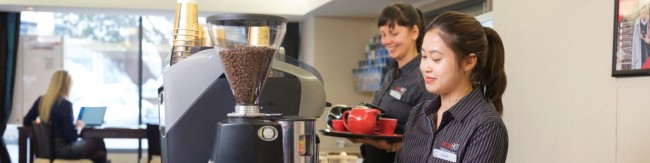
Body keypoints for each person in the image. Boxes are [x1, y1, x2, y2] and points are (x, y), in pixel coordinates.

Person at [394, 11, 509, 162]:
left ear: (468, 62)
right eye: (423, 57)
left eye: (436, 59)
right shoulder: (419, 114)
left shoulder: (486, 126)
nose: (425, 67)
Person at [349, 3, 437, 163]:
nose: (386, 41)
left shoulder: (424, 76)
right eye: (383, 34)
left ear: (414, 32)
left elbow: (425, 139)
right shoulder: (391, 73)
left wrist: (387, 145)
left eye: (393, 33)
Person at [23, 70, 108, 163]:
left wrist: (41, 125)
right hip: (62, 150)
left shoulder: (41, 101)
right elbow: (72, 137)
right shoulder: (65, 104)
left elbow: (26, 121)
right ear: (66, 86)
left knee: (99, 155)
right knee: (98, 141)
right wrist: (79, 127)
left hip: (45, 150)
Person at [632, 4, 649, 69]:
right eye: (642, 13)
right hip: (639, 59)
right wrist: (633, 64)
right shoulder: (637, 24)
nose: (643, 15)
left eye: (644, 12)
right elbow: (634, 44)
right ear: (639, 13)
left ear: (646, 11)